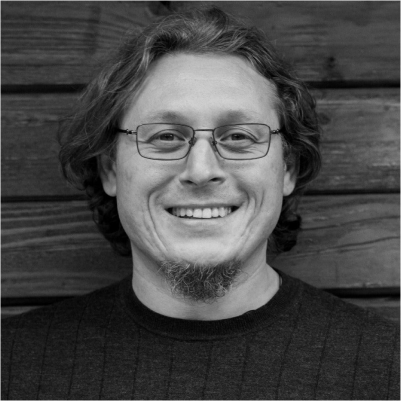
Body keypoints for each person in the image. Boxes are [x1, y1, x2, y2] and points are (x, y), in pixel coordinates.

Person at [1, 6, 400, 400]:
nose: (201, 169)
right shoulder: (13, 365)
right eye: (166, 137)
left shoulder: (387, 368)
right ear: (110, 170)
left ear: (287, 169)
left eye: (240, 136)